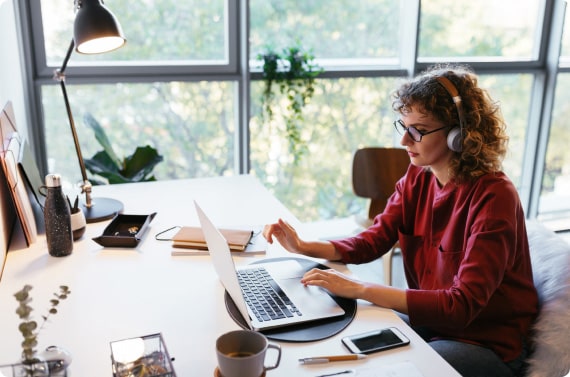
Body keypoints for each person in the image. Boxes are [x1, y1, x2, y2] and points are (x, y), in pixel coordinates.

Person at [263, 64, 538, 377]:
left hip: (487, 345)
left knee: (398, 366)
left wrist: (360, 288)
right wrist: (303, 245)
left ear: (458, 135)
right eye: (403, 126)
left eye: (418, 130)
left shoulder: (494, 196)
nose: (405, 141)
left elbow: (460, 306)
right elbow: (374, 240)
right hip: (434, 328)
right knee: (342, 339)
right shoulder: (417, 177)